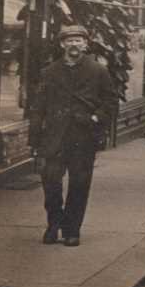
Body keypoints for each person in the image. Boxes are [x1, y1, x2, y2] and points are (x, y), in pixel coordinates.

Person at [29, 25, 117, 247]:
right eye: (69, 40)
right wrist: (34, 141)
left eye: (78, 40)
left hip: (83, 137)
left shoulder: (98, 71)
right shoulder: (49, 72)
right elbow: (38, 108)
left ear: (85, 44)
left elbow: (111, 102)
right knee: (51, 183)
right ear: (62, 44)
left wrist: (96, 119)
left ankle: (71, 230)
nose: (74, 44)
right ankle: (53, 223)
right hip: (54, 138)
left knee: (79, 184)